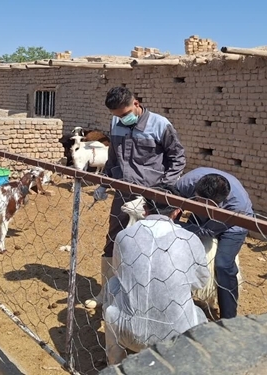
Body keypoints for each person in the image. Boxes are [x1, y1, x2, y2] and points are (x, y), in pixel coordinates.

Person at [84, 86, 186, 309]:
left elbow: (177, 158)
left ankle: (152, 295)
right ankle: (107, 292)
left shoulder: (160, 125)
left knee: (154, 244)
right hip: (123, 192)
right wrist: (104, 182)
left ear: (136, 104)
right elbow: (112, 158)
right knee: (114, 239)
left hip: (152, 197)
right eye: (116, 116)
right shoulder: (116, 123)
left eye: (124, 114)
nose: (121, 119)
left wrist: (163, 190)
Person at [103, 191, 210, 365]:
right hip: (175, 338)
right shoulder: (191, 239)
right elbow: (201, 281)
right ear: (176, 212)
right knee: (199, 313)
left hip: (127, 333)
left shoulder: (124, 236)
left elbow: (118, 271)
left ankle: (114, 363)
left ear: (145, 209)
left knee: (113, 285)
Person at [174, 167, 253, 319]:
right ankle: (181, 300)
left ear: (219, 201)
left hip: (232, 225)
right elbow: (172, 205)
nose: (204, 205)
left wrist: (175, 225)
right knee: (180, 251)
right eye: (199, 200)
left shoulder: (238, 205)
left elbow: (207, 232)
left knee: (223, 265)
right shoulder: (187, 183)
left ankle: (228, 317)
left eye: (208, 204)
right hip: (198, 216)